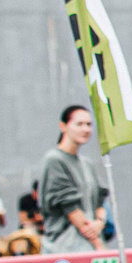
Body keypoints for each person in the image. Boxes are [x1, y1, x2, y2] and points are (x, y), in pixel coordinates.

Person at [38, 106, 107, 253]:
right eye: (79, 124)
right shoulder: (55, 160)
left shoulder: (87, 163)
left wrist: (99, 223)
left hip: (89, 246)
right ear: (63, 126)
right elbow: (69, 206)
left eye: (89, 124)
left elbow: (100, 200)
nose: (86, 129)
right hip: (65, 248)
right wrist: (98, 245)